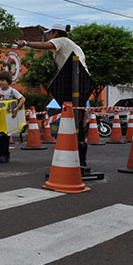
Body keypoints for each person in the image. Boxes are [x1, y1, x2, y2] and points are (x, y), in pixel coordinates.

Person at [16, 23, 89, 165]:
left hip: (75, 79)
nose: (48, 36)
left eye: (50, 33)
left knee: (73, 119)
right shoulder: (73, 45)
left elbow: (45, 46)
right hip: (82, 81)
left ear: (56, 33)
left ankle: (77, 159)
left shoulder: (61, 40)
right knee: (77, 120)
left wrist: (25, 43)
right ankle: (80, 159)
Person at [0, 71, 26, 163]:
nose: (0, 82)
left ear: (8, 81)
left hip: (8, 117)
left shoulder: (12, 91)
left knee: (4, 137)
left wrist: (17, 108)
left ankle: (5, 155)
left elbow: (22, 99)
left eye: (3, 80)